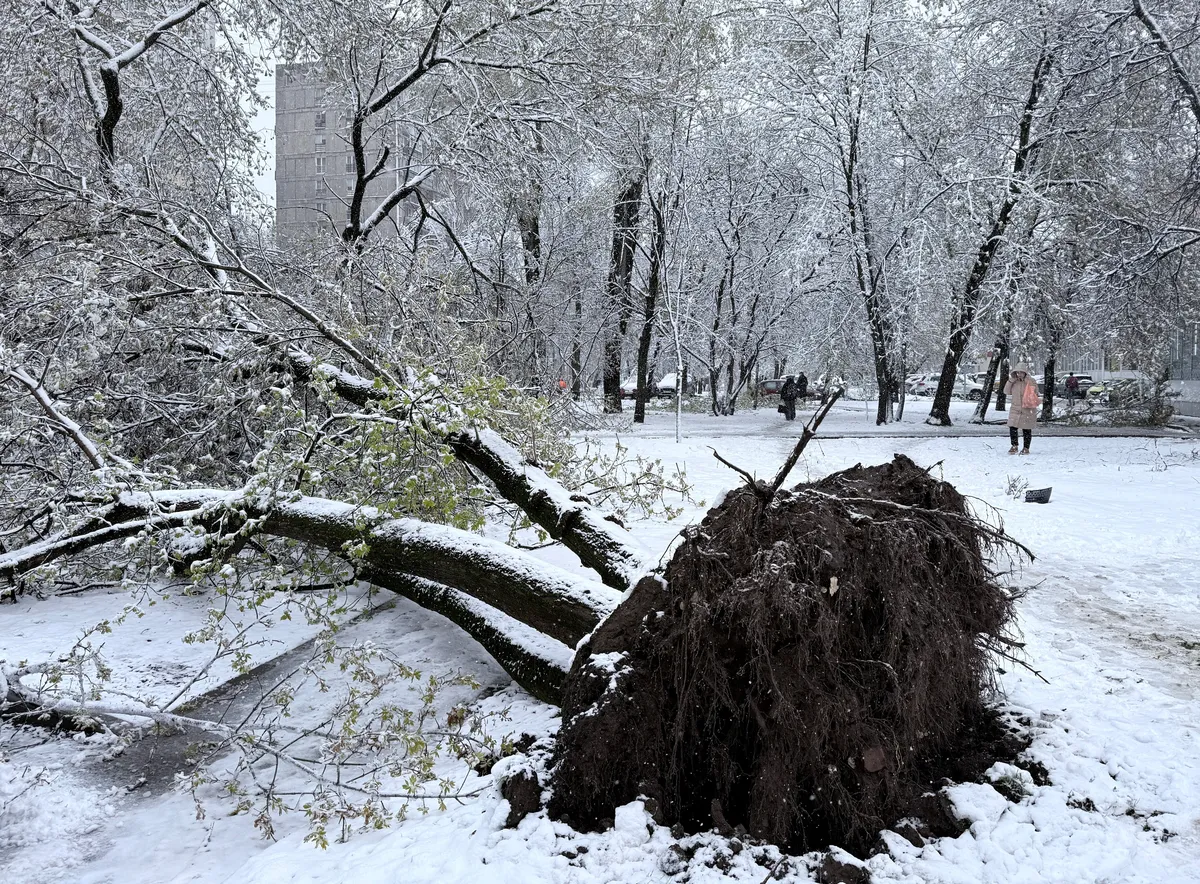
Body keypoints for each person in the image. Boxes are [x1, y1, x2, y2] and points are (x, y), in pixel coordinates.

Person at [1003, 362, 1038, 454]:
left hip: (1027, 408)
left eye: (1021, 372)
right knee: (1012, 427)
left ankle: (1026, 448)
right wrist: (1010, 381)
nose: (1019, 374)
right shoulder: (1014, 382)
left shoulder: (1031, 381)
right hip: (1015, 408)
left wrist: (1028, 383)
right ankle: (1014, 445)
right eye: (1017, 372)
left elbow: (1036, 393)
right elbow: (1006, 391)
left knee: (1026, 429)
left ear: (1025, 372)